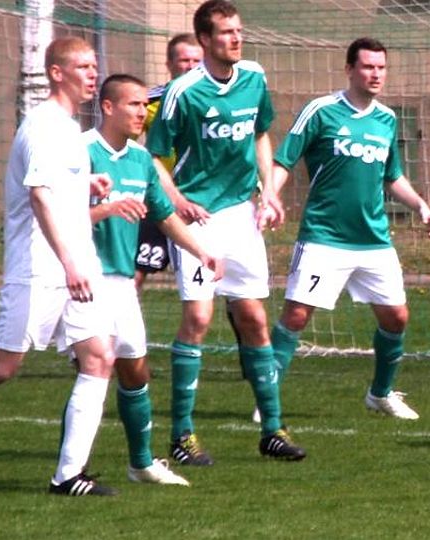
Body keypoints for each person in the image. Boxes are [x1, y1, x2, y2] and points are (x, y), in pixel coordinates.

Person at [0, 37, 119, 495]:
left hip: (77, 267)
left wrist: (88, 184)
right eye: (82, 66)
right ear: (56, 73)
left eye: (94, 66)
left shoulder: (70, 129)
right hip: (40, 268)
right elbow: (39, 197)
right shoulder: (42, 126)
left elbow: (57, 186)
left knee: (99, 357)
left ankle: (69, 476)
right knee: (0, 369)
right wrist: (68, 263)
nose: (92, 74)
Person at [145, 0, 304, 464]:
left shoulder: (254, 77)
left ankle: (273, 430)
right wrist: (177, 200)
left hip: (241, 215)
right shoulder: (183, 91)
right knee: (198, 318)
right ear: (205, 40)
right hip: (199, 220)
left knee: (254, 318)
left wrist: (268, 191)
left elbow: (260, 133)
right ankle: (182, 436)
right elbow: (153, 156)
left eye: (239, 30)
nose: (236, 38)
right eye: (226, 32)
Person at [267, 37, 430, 422]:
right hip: (324, 237)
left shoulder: (387, 119)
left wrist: (420, 205)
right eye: (367, 67)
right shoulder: (321, 111)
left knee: (396, 317)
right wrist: (269, 196)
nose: (375, 74)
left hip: (373, 240)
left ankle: (380, 394)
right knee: (296, 315)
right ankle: (267, 400)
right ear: (349, 69)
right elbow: (284, 159)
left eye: (381, 67)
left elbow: (392, 175)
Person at [87, 73, 226, 486]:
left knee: (135, 371)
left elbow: (164, 215)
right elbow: (52, 213)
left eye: (142, 106)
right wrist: (104, 211)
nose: (142, 114)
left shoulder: (141, 160)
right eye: (133, 105)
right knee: (90, 369)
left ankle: (141, 463)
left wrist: (200, 250)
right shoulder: (81, 152)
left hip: (120, 282)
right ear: (108, 107)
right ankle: (69, 473)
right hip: (82, 279)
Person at [134, 33, 202, 292]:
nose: (191, 66)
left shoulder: (217, 100)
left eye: (197, 61)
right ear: (169, 64)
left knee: (229, 283)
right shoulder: (150, 102)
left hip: (205, 199)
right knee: (135, 271)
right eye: (184, 60)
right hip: (160, 199)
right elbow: (123, 144)